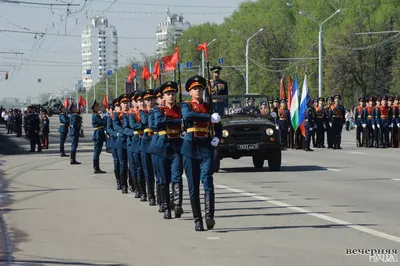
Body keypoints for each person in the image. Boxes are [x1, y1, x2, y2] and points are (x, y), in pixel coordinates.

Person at [181, 75, 222, 231]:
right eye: (195, 89)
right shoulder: (186, 105)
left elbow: (218, 123)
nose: (198, 91)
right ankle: (197, 219)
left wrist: (217, 137)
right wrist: (208, 117)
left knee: (208, 182)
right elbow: (188, 116)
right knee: (193, 187)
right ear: (190, 92)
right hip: (191, 147)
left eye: (200, 88)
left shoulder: (209, 106)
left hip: (205, 147)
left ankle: (209, 216)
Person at [154, 81, 184, 219]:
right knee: (164, 178)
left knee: (177, 177)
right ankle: (166, 206)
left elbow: (188, 120)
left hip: (177, 145)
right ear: (163, 96)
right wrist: (179, 121)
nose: (171, 96)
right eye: (168, 94)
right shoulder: (158, 110)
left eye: (172, 93)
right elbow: (159, 123)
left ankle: (177, 205)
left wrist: (175, 121)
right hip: (163, 146)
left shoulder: (181, 108)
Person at [139, 89, 157, 206]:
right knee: (148, 172)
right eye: (147, 100)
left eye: (151, 99)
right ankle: (151, 195)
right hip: (146, 143)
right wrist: (151, 112)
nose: (149, 102)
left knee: (159, 172)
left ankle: (162, 196)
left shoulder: (159, 110)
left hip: (156, 142)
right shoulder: (142, 112)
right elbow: (145, 121)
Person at [114, 94, 130, 194]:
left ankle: (133, 184)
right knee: (123, 164)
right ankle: (124, 185)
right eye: (123, 103)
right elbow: (116, 126)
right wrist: (125, 131)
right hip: (121, 141)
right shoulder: (117, 114)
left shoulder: (132, 113)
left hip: (131, 141)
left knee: (132, 165)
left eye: (127, 102)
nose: (125, 104)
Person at [107, 98, 121, 190]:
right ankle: (119, 181)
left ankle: (129, 182)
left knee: (125, 163)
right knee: (117, 162)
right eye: (117, 106)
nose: (119, 107)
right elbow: (109, 129)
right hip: (115, 142)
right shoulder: (110, 117)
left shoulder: (126, 115)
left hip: (123, 142)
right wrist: (116, 134)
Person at [91, 100, 106, 174]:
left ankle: (96, 167)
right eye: (97, 106)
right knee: (97, 151)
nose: (98, 107)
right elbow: (103, 122)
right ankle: (96, 167)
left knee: (98, 151)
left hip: (100, 132)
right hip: (98, 133)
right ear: (94, 108)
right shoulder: (95, 115)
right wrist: (104, 117)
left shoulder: (96, 115)